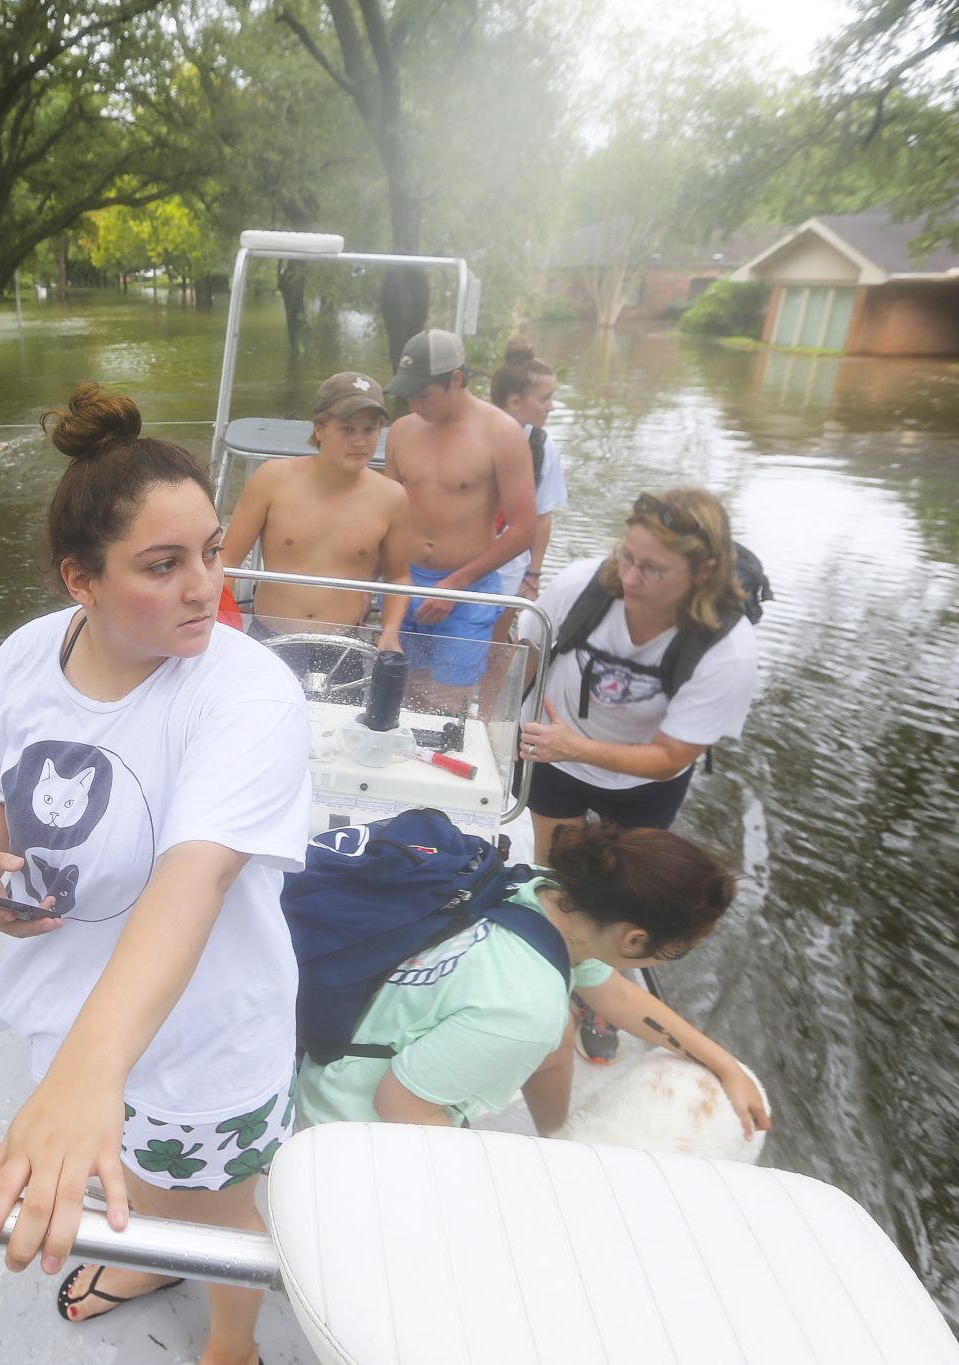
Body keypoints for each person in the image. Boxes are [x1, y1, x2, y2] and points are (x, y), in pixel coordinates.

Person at [0, 383, 312, 1365]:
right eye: (163, 566)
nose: (207, 585)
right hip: (69, 1014)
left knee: (218, 1210)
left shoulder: (244, 692)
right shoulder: (24, 658)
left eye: (209, 549)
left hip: (201, 1033)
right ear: (82, 581)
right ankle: (153, 1259)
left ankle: (230, 1344)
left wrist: (88, 1072)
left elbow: (190, 881)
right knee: (145, 1188)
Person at [294, 821, 768, 1138]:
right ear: (634, 940)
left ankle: (553, 1143)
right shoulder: (525, 1008)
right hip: (345, 1123)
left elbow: (617, 995)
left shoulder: (543, 892)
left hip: (350, 1038)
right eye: (678, 949)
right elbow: (400, 1107)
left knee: (560, 1037)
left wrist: (724, 1065)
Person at [515, 487, 760, 1062]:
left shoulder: (728, 649)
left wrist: (579, 747)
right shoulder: (581, 586)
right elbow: (522, 655)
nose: (630, 576)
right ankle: (565, 976)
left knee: (628, 889)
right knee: (558, 872)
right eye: (627, 556)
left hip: (643, 774)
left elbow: (672, 754)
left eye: (653, 568)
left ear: (704, 570)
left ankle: (602, 994)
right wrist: (501, 727)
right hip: (552, 748)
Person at [382, 328, 536, 713]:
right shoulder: (402, 431)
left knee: (448, 701)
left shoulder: (502, 433)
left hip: (466, 589)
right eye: (409, 394)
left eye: (424, 394)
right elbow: (385, 510)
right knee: (403, 691)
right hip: (405, 581)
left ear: (456, 379)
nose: (415, 404)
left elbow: (523, 529)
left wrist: (454, 586)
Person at [219, 371, 413, 661]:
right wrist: (223, 626)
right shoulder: (272, 479)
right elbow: (228, 560)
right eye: (347, 429)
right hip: (269, 638)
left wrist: (390, 632)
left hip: (343, 645)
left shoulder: (392, 497)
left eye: (369, 430)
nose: (360, 442)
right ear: (319, 429)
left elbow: (398, 576)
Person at [478, 336, 566, 718]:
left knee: (495, 643)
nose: (551, 406)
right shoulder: (472, 433)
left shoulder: (543, 448)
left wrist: (533, 572)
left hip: (508, 561)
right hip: (461, 554)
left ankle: (482, 716)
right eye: (544, 399)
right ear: (515, 402)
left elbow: (542, 515)